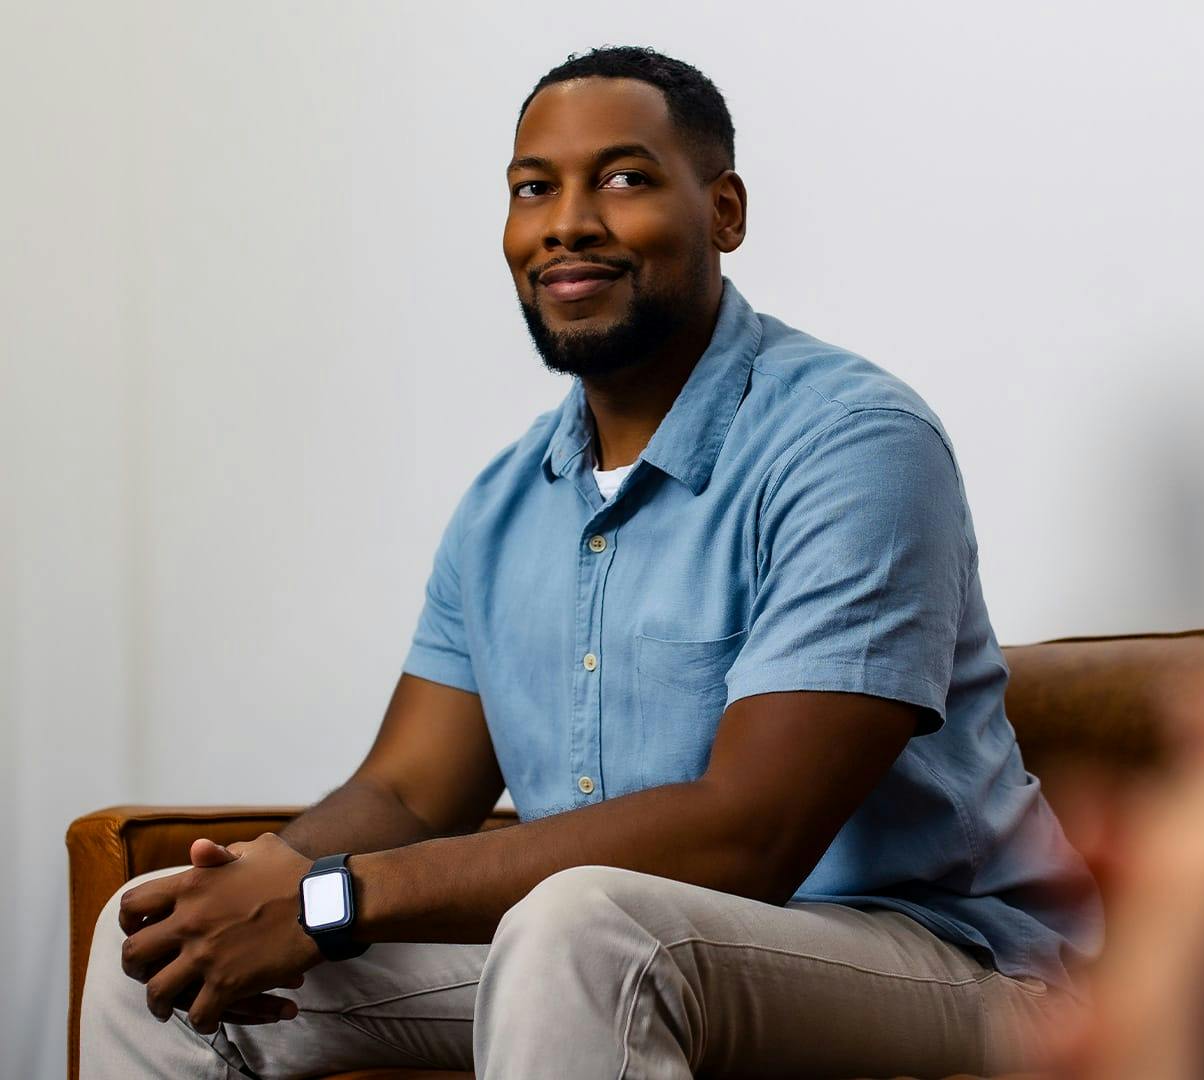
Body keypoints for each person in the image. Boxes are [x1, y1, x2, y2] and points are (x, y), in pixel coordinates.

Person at [80, 45, 1101, 1079]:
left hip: (955, 973)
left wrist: (331, 898)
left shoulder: (856, 443)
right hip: (616, 955)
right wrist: (260, 879)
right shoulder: (505, 501)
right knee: (153, 949)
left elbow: (753, 831)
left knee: (583, 921)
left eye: (624, 178)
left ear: (725, 212)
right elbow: (403, 791)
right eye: (534, 188)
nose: (567, 220)